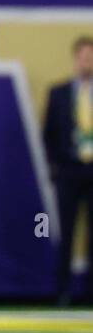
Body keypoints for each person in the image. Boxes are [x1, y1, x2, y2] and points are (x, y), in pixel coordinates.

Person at [44, 35, 93, 305]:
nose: (88, 61)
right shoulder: (60, 93)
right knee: (67, 232)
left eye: (91, 56)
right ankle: (62, 292)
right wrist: (57, 168)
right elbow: (49, 134)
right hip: (70, 171)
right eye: (84, 56)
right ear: (77, 59)